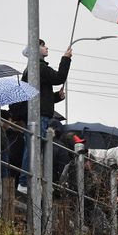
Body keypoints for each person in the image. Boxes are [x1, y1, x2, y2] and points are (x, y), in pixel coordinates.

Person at [16, 39, 71, 194]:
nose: (46, 47)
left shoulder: (33, 69)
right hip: (38, 116)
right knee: (33, 148)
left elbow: (39, 97)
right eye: (42, 45)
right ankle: (24, 182)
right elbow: (59, 77)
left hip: (39, 114)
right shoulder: (38, 68)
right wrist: (66, 58)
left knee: (35, 148)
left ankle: (30, 181)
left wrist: (56, 97)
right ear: (35, 49)